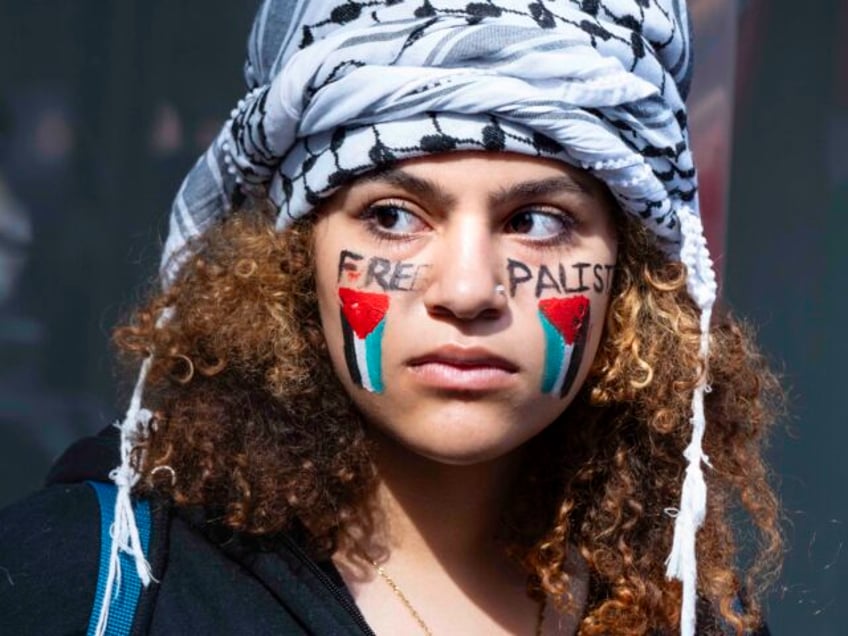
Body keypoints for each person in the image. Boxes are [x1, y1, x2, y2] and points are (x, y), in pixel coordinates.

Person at [0, 1, 782, 634]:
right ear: (293, 259)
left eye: (537, 221)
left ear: (626, 272)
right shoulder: (93, 580)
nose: (469, 289)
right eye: (394, 217)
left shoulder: (686, 616)